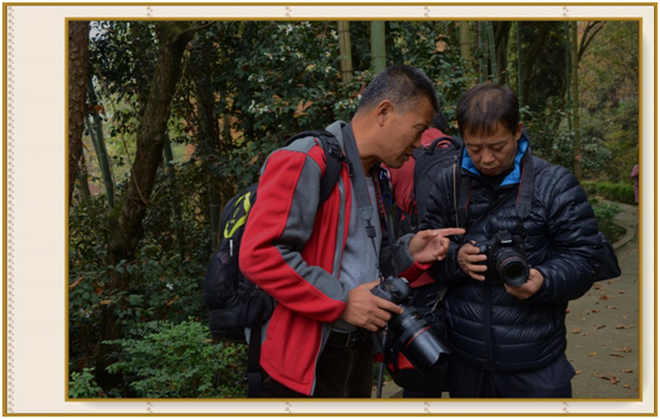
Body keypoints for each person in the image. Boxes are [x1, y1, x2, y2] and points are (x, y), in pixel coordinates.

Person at [239, 65, 465, 398]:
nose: (418, 144)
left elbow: (368, 264)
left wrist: (410, 252)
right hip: (305, 359)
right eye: (417, 130)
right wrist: (341, 300)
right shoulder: (307, 160)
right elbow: (260, 254)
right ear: (384, 112)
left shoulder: (378, 176)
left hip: (357, 349)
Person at [421, 82, 602, 398]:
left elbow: (585, 259)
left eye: (497, 146)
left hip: (537, 362)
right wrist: (456, 259)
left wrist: (543, 280)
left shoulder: (555, 185)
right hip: (468, 362)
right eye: (474, 148)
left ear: (517, 131)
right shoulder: (448, 184)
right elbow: (427, 252)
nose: (486, 159)